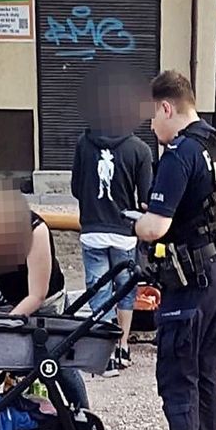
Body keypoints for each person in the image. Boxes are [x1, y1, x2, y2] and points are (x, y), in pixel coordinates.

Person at [132, 70, 216, 430]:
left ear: (166, 107)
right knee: (206, 362)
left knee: (179, 364)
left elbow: (156, 227)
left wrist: (137, 224)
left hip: (190, 275)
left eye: (153, 118)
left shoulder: (181, 153)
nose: (152, 128)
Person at [0, 180, 90, 411]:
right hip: (8, 297)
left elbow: (37, 294)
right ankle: (18, 412)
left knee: (57, 361)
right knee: (14, 360)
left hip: (45, 299)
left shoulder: (34, 230)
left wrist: (8, 321)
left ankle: (83, 415)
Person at [71, 71, 154, 376]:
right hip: (125, 234)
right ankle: (123, 347)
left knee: (99, 291)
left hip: (92, 230)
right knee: (126, 290)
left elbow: (76, 188)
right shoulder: (140, 149)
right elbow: (146, 200)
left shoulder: (84, 142)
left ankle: (104, 356)